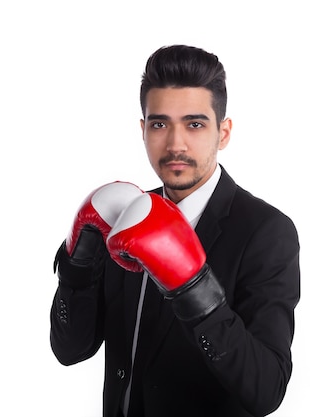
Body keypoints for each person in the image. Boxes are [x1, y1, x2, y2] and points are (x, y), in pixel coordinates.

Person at [50, 44, 300, 417]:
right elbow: (71, 350)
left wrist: (194, 288)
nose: (175, 143)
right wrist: (78, 266)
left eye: (195, 124)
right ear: (143, 129)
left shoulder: (266, 231)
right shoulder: (124, 216)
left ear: (224, 132)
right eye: (160, 123)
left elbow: (267, 390)